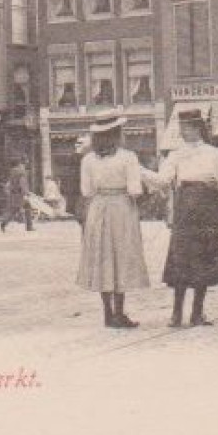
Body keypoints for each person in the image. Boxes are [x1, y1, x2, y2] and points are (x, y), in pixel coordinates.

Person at [77, 115, 159, 329]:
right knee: (121, 258)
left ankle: (107, 313)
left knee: (103, 259)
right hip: (121, 208)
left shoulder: (88, 159)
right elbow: (135, 189)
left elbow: (86, 191)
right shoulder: (128, 157)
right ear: (116, 134)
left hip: (97, 208)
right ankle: (120, 313)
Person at [159, 110, 218, 327]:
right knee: (180, 259)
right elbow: (164, 179)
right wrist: (140, 171)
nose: (182, 132)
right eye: (181, 128)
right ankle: (176, 314)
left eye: (186, 128)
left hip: (207, 208)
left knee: (203, 259)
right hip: (185, 209)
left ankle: (197, 313)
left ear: (197, 128)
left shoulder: (215, 153)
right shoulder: (175, 155)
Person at [2, 158, 34, 233]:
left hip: (13, 194)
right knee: (19, 209)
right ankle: (29, 227)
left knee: (16, 209)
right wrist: (26, 193)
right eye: (22, 164)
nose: (23, 166)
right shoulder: (21, 173)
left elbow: (10, 183)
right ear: (19, 164)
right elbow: (22, 183)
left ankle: (4, 222)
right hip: (20, 194)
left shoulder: (12, 172)